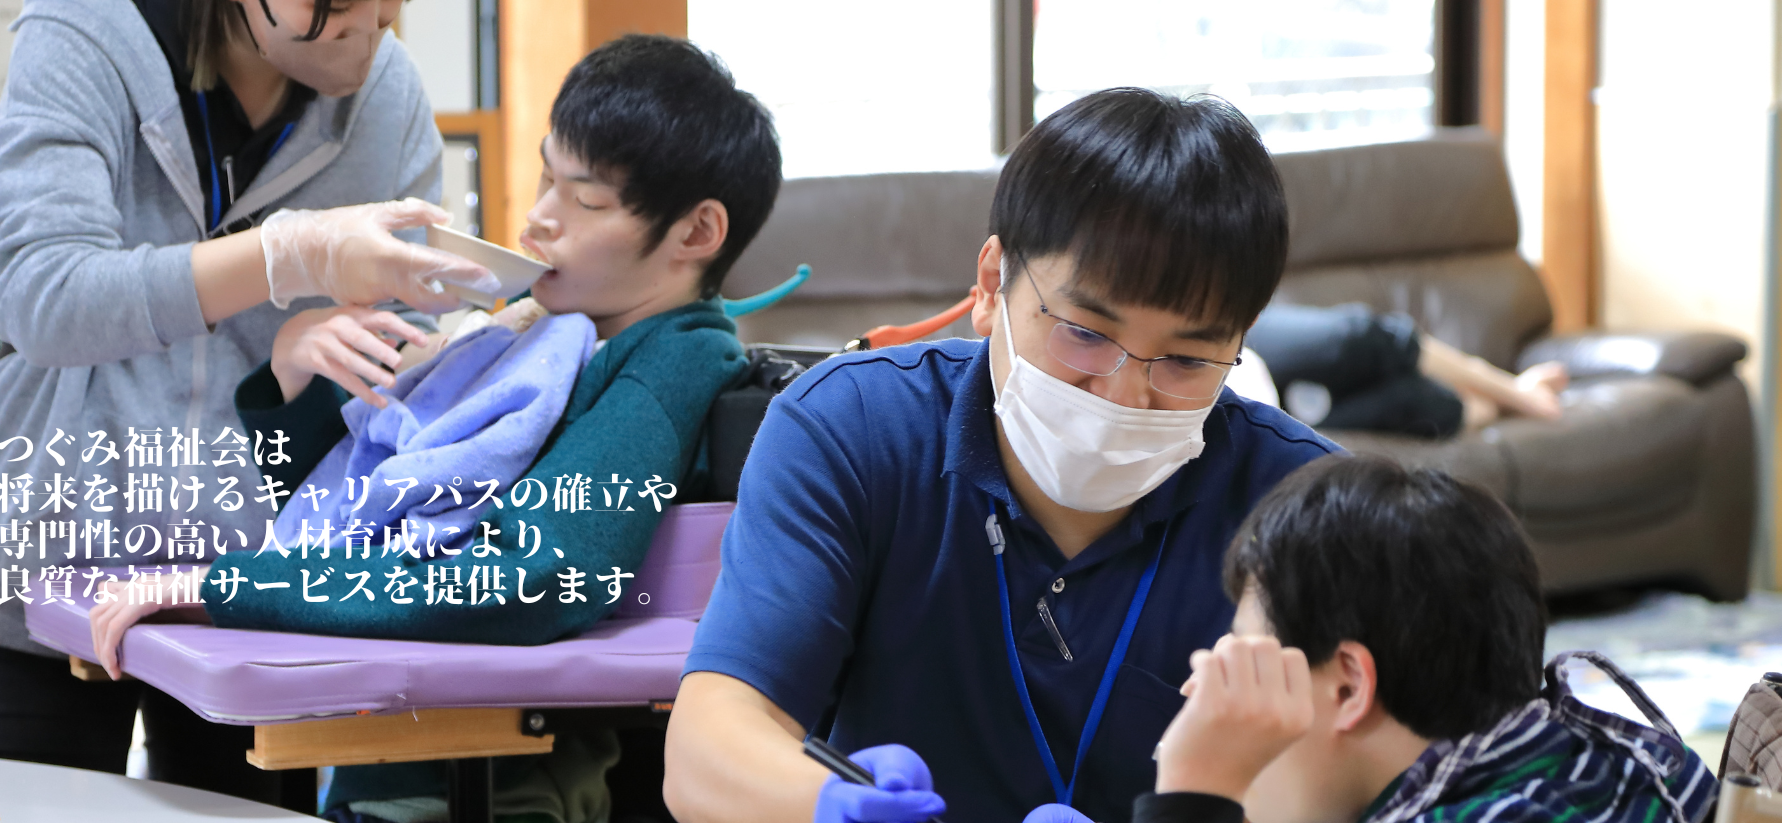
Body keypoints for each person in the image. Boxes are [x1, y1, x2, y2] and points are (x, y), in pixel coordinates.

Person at [87, 33, 782, 823]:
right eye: (546, 179)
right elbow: (354, 510)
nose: (538, 220)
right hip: (405, 762)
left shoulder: (671, 362)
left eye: (585, 201)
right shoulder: (530, 328)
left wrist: (228, 588)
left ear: (696, 233)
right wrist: (294, 373)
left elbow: (534, 575)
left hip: (505, 791)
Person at [0, 0, 498, 805]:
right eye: (337, 7)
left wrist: (320, 358)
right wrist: (285, 258)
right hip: (47, 564)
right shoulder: (84, 37)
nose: (372, 37)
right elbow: (45, 295)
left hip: (244, 584)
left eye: (389, 1)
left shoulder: (385, 96)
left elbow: (394, 368)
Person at [663, 89, 1342, 823]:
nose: (1123, 395)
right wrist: (830, 805)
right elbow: (709, 747)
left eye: (1185, 360)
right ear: (992, 285)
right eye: (1085, 334)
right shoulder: (854, 430)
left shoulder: (1307, 507)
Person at [1076, 454, 1716, 823]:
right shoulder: (1632, 759)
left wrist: (1195, 789)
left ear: (1349, 686)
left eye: (1252, 665)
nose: (1202, 693)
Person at [1246, 303, 1571, 438]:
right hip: (1264, 413)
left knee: (1357, 339)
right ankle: (1505, 403)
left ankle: (1513, 391)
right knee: (1411, 401)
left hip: (1249, 345)